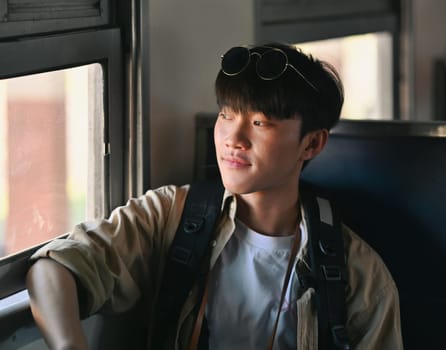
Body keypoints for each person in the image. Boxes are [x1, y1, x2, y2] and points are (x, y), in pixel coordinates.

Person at [26, 43, 403, 349]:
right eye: (226, 115)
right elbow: (55, 266)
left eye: (259, 123)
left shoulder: (358, 273)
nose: (233, 139)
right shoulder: (171, 217)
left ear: (313, 143)